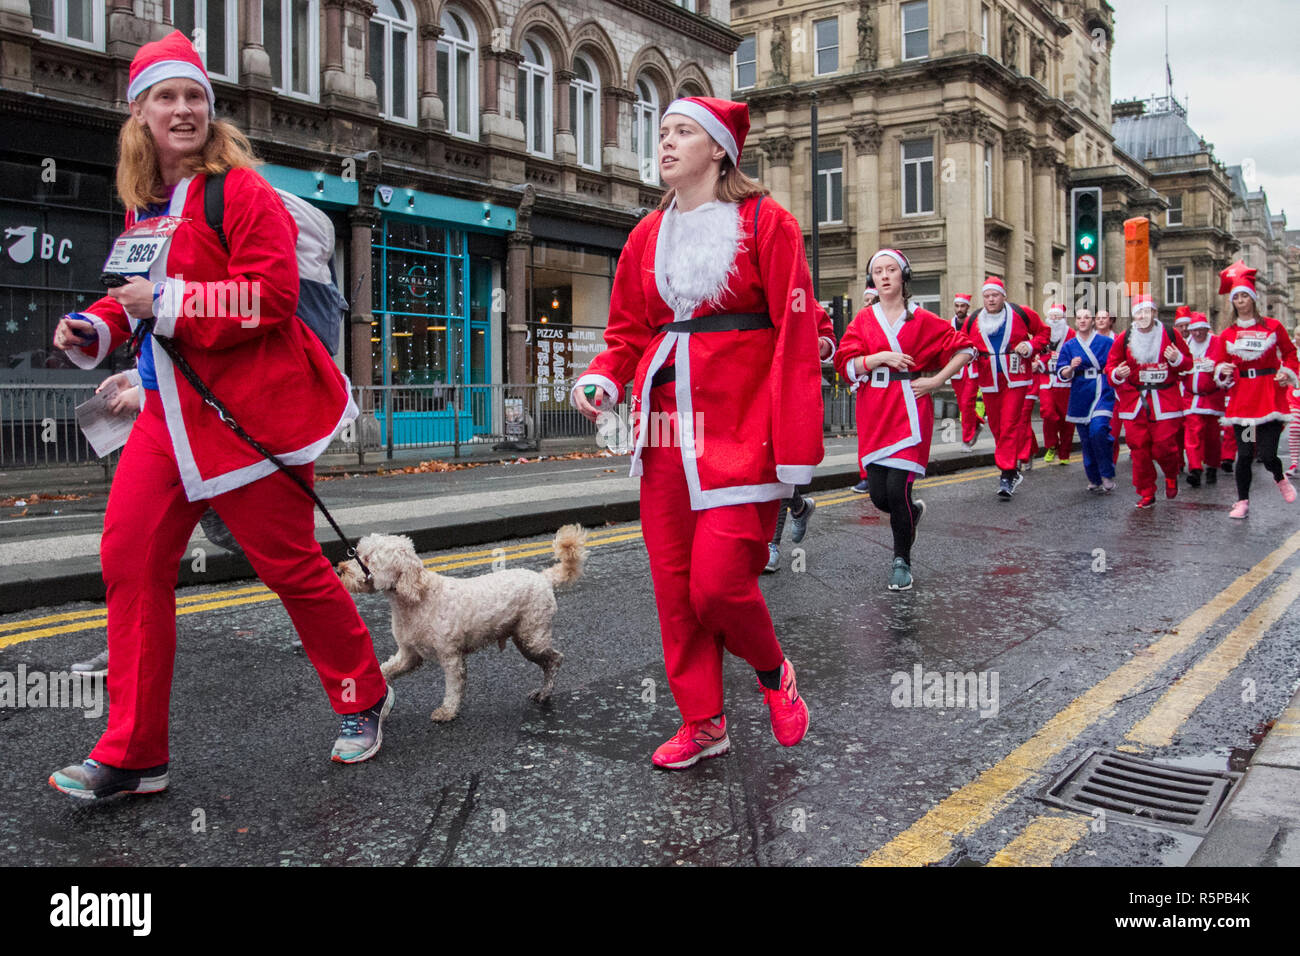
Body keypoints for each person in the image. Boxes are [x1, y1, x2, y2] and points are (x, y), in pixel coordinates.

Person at [48, 32, 391, 801]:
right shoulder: (146, 204)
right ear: (138, 112)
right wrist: (95, 325)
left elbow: (268, 298)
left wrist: (164, 304)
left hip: (253, 420)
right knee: (130, 562)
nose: (183, 109)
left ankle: (362, 694)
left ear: (210, 109)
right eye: (166, 97)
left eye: (194, 96)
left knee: (290, 568)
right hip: (170, 423)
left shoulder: (240, 191)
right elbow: (129, 293)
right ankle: (134, 753)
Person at [570, 96, 818, 770]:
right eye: (664, 133)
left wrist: (796, 448)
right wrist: (603, 377)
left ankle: (773, 673)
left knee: (718, 586)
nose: (667, 143)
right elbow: (625, 331)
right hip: (662, 436)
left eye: (683, 132)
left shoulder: (769, 223)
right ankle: (704, 723)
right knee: (676, 592)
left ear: (718, 150)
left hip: (743, 435)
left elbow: (797, 337)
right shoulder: (646, 235)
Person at [834, 250, 974, 590]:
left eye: (891, 270)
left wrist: (937, 380)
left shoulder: (921, 319)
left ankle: (901, 562)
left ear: (903, 276)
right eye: (878, 271)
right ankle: (912, 513)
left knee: (897, 491)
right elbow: (844, 362)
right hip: (875, 410)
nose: (884, 276)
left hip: (910, 409)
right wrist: (878, 357)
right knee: (880, 497)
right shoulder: (863, 321)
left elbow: (966, 348)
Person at [1212, 261, 1300, 518]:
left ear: (1253, 299)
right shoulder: (1227, 334)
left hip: (1270, 398)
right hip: (1244, 402)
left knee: (1268, 453)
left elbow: (1291, 354)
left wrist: (1288, 372)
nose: (1240, 301)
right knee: (1246, 453)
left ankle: (1279, 477)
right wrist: (1223, 372)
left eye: (1244, 296)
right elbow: (1219, 364)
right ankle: (1242, 501)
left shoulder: (1273, 326)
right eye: (1236, 297)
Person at [961, 276, 1049, 499]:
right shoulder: (973, 319)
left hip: (1016, 378)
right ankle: (1011, 467)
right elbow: (962, 343)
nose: (991, 299)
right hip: (989, 379)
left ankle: (1007, 473)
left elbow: (1043, 333)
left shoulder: (1021, 313)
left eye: (995, 295)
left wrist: (1029, 345)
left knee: (1010, 423)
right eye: (987, 296)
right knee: (998, 427)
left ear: (1004, 296)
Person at [1104, 294, 1193, 508]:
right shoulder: (1125, 337)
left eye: (1147, 312)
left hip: (1165, 400)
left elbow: (1188, 363)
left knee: (1164, 447)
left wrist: (1177, 359)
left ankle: (1171, 475)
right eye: (1138, 313)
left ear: (1154, 313)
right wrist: (1117, 373)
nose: (1143, 316)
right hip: (1134, 401)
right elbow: (1110, 366)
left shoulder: (1170, 334)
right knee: (1138, 449)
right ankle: (1146, 491)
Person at [767, 311, 837, 570]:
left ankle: (770, 544)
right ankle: (799, 508)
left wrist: (822, 344)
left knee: (782, 467)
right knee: (762, 467)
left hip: (789, 393)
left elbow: (829, 340)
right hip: (755, 389)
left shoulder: (800, 298)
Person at [1055, 307, 1116, 492]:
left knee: (1098, 431)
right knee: (1086, 439)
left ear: (1092, 321)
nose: (1082, 320)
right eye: (1079, 318)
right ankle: (1094, 477)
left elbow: (1115, 363)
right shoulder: (1069, 346)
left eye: (1087, 317)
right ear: (1075, 322)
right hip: (1080, 391)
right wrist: (1071, 368)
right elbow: (1061, 372)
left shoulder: (1106, 342)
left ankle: (1107, 474)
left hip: (1101, 388)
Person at [1180, 313, 1226, 488]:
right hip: (1191, 397)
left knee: (1212, 436)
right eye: (1194, 330)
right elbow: (1180, 366)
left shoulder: (1217, 343)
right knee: (1193, 433)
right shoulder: (1186, 345)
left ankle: (1212, 466)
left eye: (1201, 330)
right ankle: (1195, 469)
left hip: (1212, 398)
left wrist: (1217, 368)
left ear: (1207, 329)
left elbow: (1226, 364)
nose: (1197, 334)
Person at [1035, 302, 1075, 466]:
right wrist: (1040, 359)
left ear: (1063, 318)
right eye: (1052, 316)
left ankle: (1064, 452)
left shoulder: (1071, 333)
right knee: (1048, 414)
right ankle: (1051, 445)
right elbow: (1037, 350)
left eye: (1058, 316)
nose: (1054, 319)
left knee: (1067, 419)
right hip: (1046, 379)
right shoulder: (1043, 333)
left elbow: (1076, 352)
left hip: (1065, 382)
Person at [851, 288, 879, 493]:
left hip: (891, 389)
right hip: (866, 386)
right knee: (865, 433)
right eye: (865, 300)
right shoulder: (859, 324)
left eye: (872, 299)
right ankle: (866, 475)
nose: (868, 303)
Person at [949, 292, 984, 449]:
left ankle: (966, 439)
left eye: (962, 306)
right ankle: (977, 424)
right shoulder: (949, 324)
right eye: (957, 306)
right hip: (956, 370)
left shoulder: (975, 323)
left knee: (967, 402)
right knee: (963, 405)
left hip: (971, 368)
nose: (959, 309)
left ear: (968, 307)